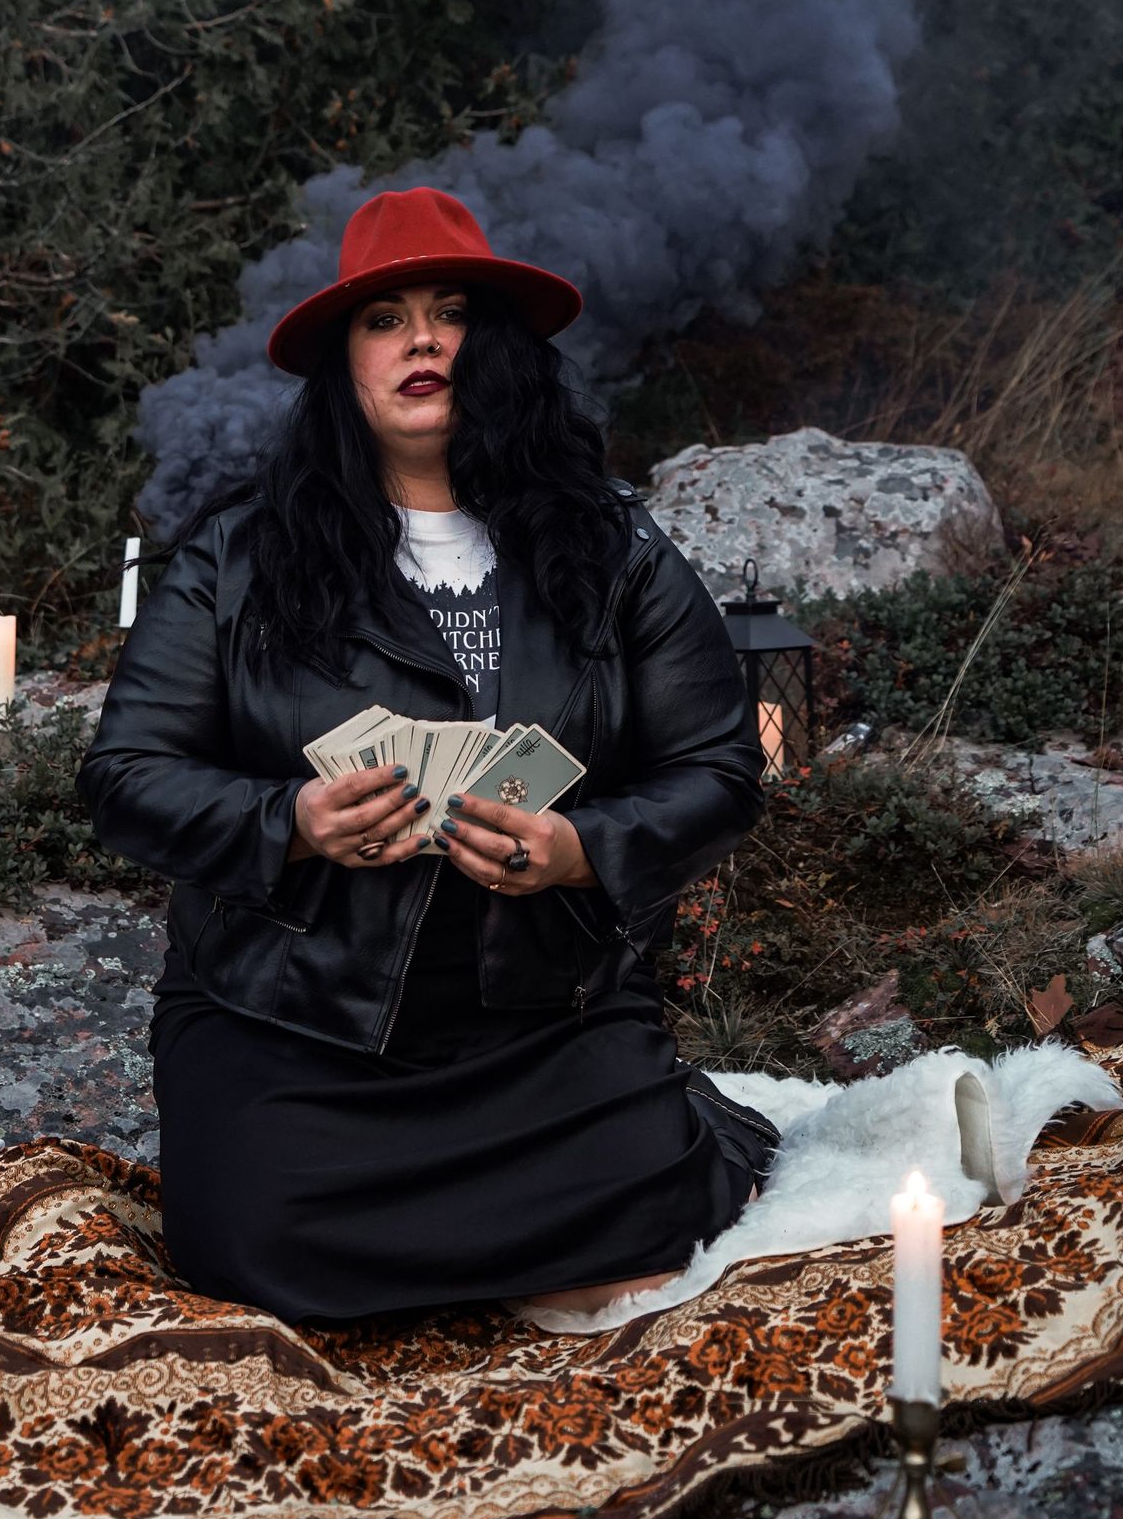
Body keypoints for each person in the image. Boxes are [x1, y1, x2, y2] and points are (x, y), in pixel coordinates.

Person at [76, 186, 778, 1325]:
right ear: (343, 362)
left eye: (451, 312)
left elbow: (720, 767)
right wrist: (288, 823)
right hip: (293, 1020)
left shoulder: (613, 546)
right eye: (385, 318)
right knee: (256, 1254)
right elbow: (125, 777)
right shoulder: (236, 557)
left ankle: (655, 1131)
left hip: (547, 1014)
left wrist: (582, 848)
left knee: (662, 1227)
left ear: (494, 349)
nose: (422, 340)